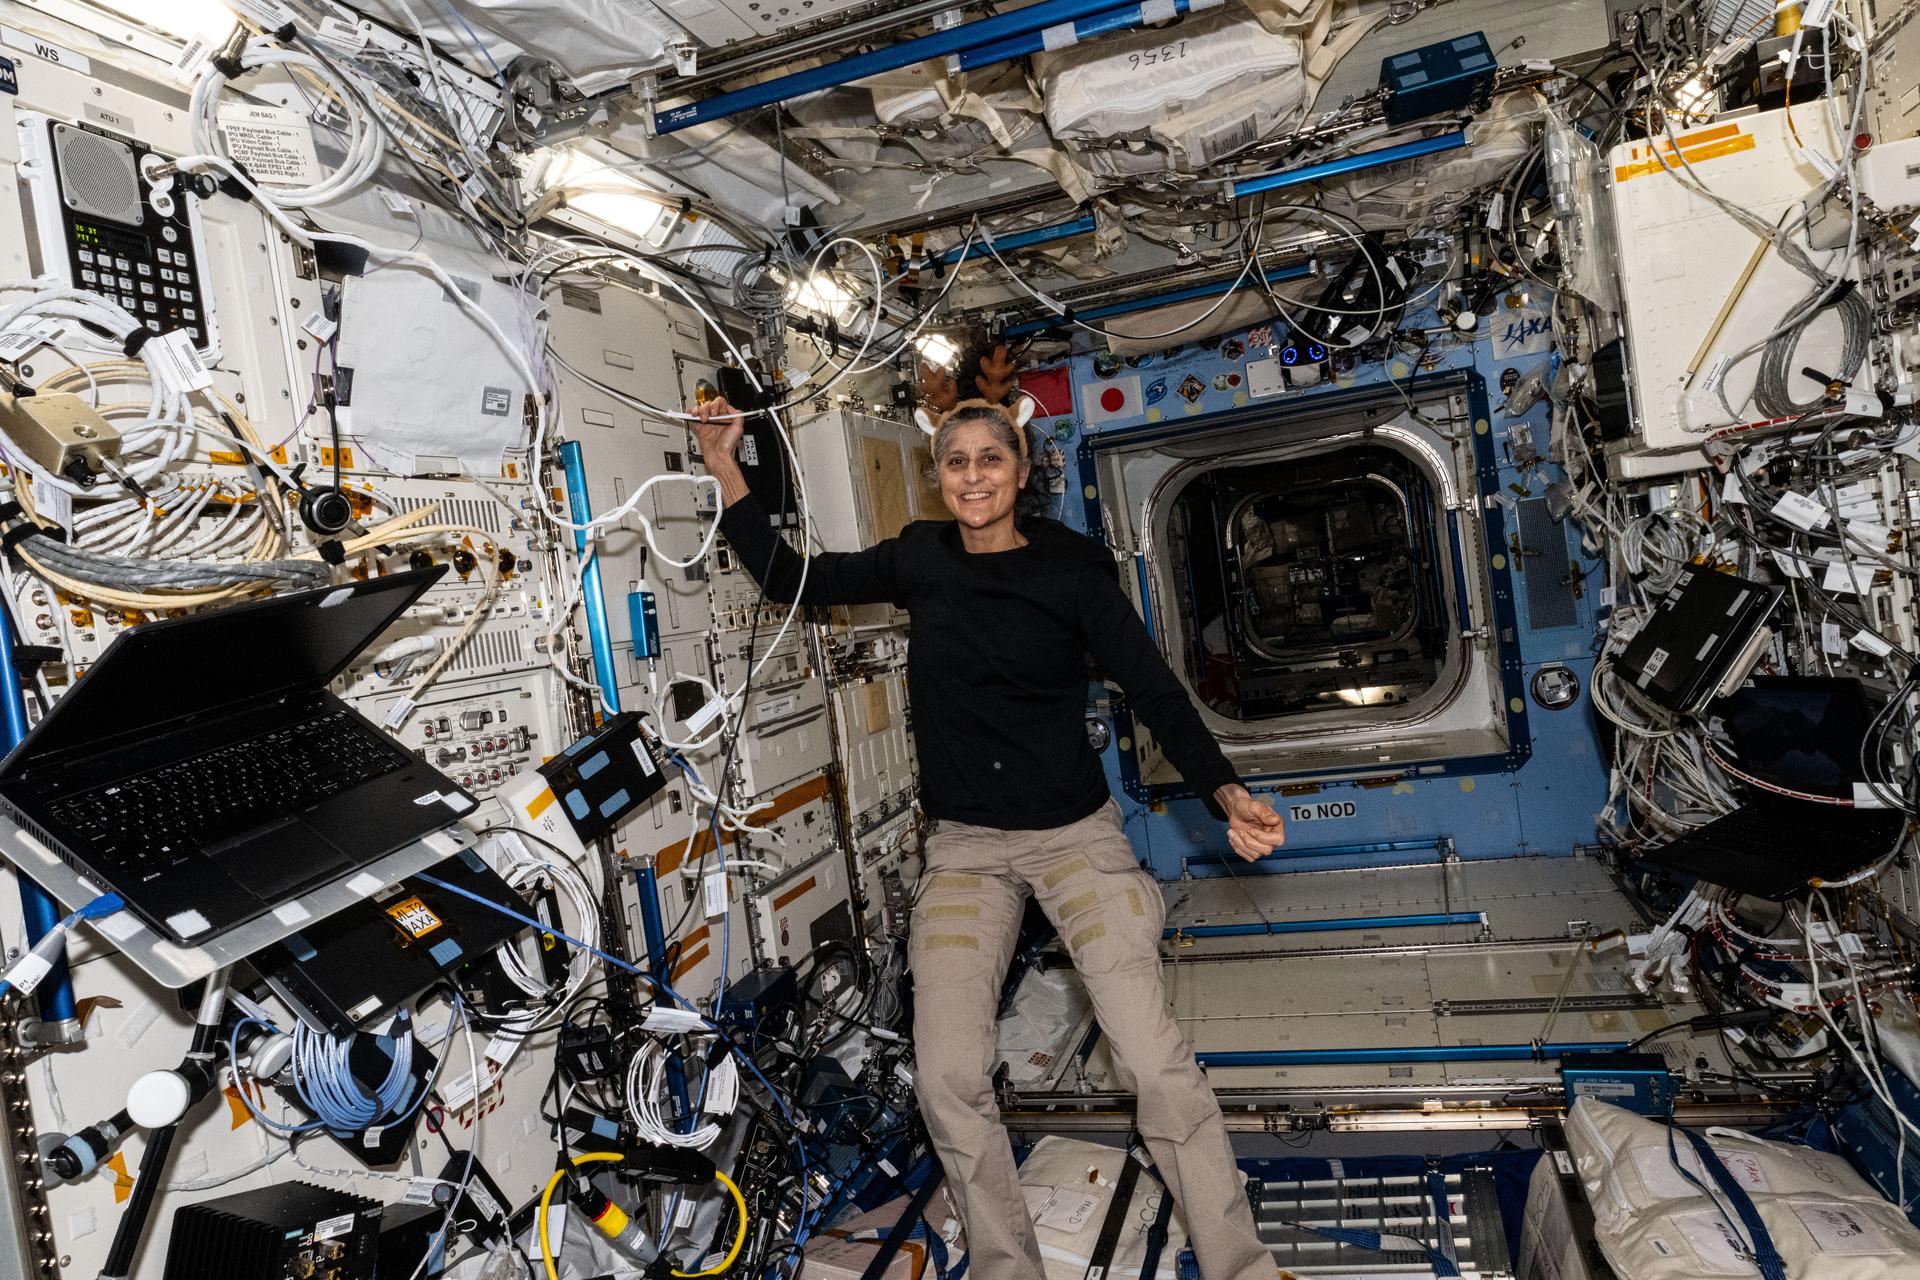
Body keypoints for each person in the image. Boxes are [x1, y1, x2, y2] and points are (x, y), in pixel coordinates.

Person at [691, 391, 1288, 1278]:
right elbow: (792, 579)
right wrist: (726, 466)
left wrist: (1226, 791)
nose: (973, 476)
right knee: (947, 1079)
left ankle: (1240, 1264)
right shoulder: (920, 558)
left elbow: (1155, 691)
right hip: (966, 851)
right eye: (957, 463)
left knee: (1155, 1065)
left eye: (990, 460)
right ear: (939, 480)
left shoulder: (1073, 572)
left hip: (1074, 839)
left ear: (1020, 473)